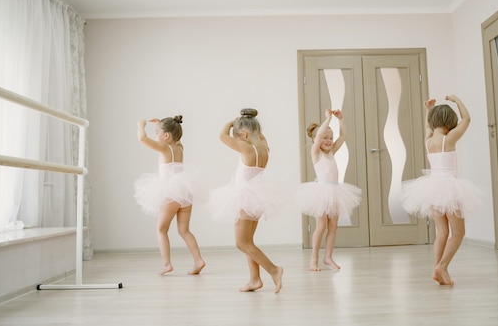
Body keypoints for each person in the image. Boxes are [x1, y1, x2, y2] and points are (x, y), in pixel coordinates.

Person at [400, 95, 482, 286]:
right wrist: (457, 100)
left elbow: (428, 127)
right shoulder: (449, 138)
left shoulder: (428, 141)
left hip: (432, 188)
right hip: (450, 188)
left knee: (442, 232)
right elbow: (467, 119)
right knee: (458, 233)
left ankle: (437, 269)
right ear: (450, 123)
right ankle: (442, 266)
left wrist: (428, 109)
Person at [207, 108, 284, 293]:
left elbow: (222, 136)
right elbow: (256, 133)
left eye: (239, 136)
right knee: (249, 241)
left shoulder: (246, 147)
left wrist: (232, 122)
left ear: (243, 134)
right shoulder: (264, 145)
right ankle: (255, 280)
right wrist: (247, 122)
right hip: (257, 197)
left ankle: (274, 270)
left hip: (245, 198)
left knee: (242, 243)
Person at [134, 115, 206, 276]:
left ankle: (167, 264)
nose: (155, 136)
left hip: (171, 193)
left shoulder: (164, 148)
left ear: (166, 136)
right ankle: (198, 260)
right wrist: (162, 124)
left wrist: (141, 125)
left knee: (161, 230)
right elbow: (175, 138)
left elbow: (142, 138)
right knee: (184, 230)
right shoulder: (179, 147)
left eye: (157, 132)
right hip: (185, 192)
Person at [296, 109, 362, 271]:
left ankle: (328, 257)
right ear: (316, 139)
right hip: (322, 193)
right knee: (320, 227)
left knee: (333, 226)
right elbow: (319, 136)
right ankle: (313, 259)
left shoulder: (331, 152)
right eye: (325, 137)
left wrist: (340, 119)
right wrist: (327, 119)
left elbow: (343, 136)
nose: (329, 140)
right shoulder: (316, 153)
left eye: (330, 138)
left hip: (335, 192)